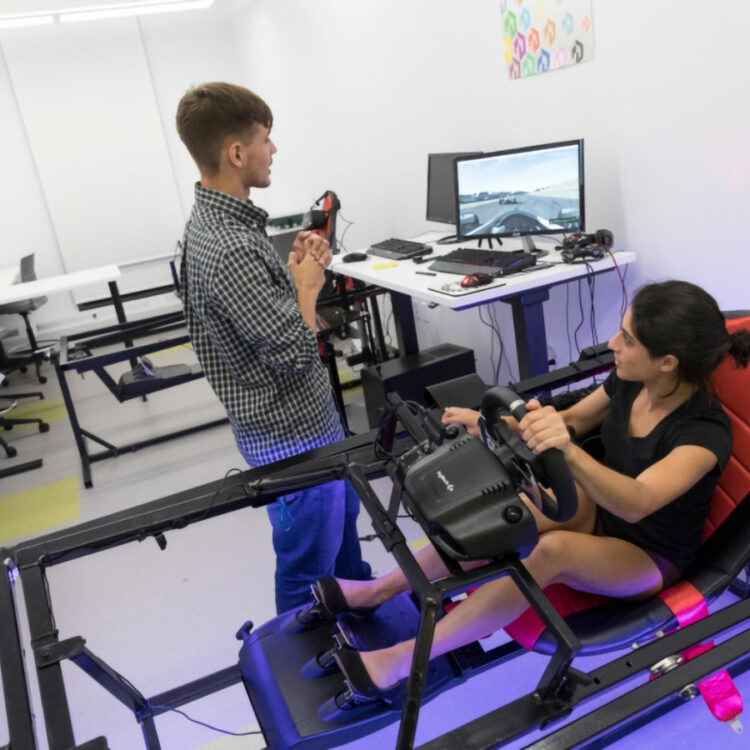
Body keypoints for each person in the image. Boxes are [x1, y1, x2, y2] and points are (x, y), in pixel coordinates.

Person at [310, 280, 750, 700]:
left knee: (551, 551)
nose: (614, 345)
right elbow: (574, 421)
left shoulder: (703, 433)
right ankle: (378, 591)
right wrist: (499, 425)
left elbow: (637, 504)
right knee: (510, 510)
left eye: (627, 339)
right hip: (601, 512)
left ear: (668, 362)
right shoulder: (633, 380)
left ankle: (403, 661)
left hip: (649, 555)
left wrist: (571, 455)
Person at [175, 82, 370, 613]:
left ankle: (367, 628)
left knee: (344, 552)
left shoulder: (213, 225)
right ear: (237, 153)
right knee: (307, 568)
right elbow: (291, 353)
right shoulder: (231, 246)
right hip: (294, 441)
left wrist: (291, 278)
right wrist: (308, 288)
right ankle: (305, 669)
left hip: (301, 433)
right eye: (266, 139)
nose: (274, 150)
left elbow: (252, 325)